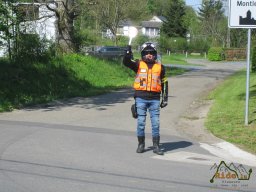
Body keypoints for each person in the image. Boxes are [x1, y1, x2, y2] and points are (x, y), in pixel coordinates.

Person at [123, 42, 168, 155]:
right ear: (143, 54)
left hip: (155, 99)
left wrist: (165, 98)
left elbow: (164, 82)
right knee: (141, 122)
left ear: (155, 54)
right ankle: (141, 144)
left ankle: (156, 146)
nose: (149, 55)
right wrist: (127, 52)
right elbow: (126, 62)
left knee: (156, 123)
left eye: (152, 53)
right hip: (141, 98)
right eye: (147, 53)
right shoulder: (138, 64)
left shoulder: (160, 67)